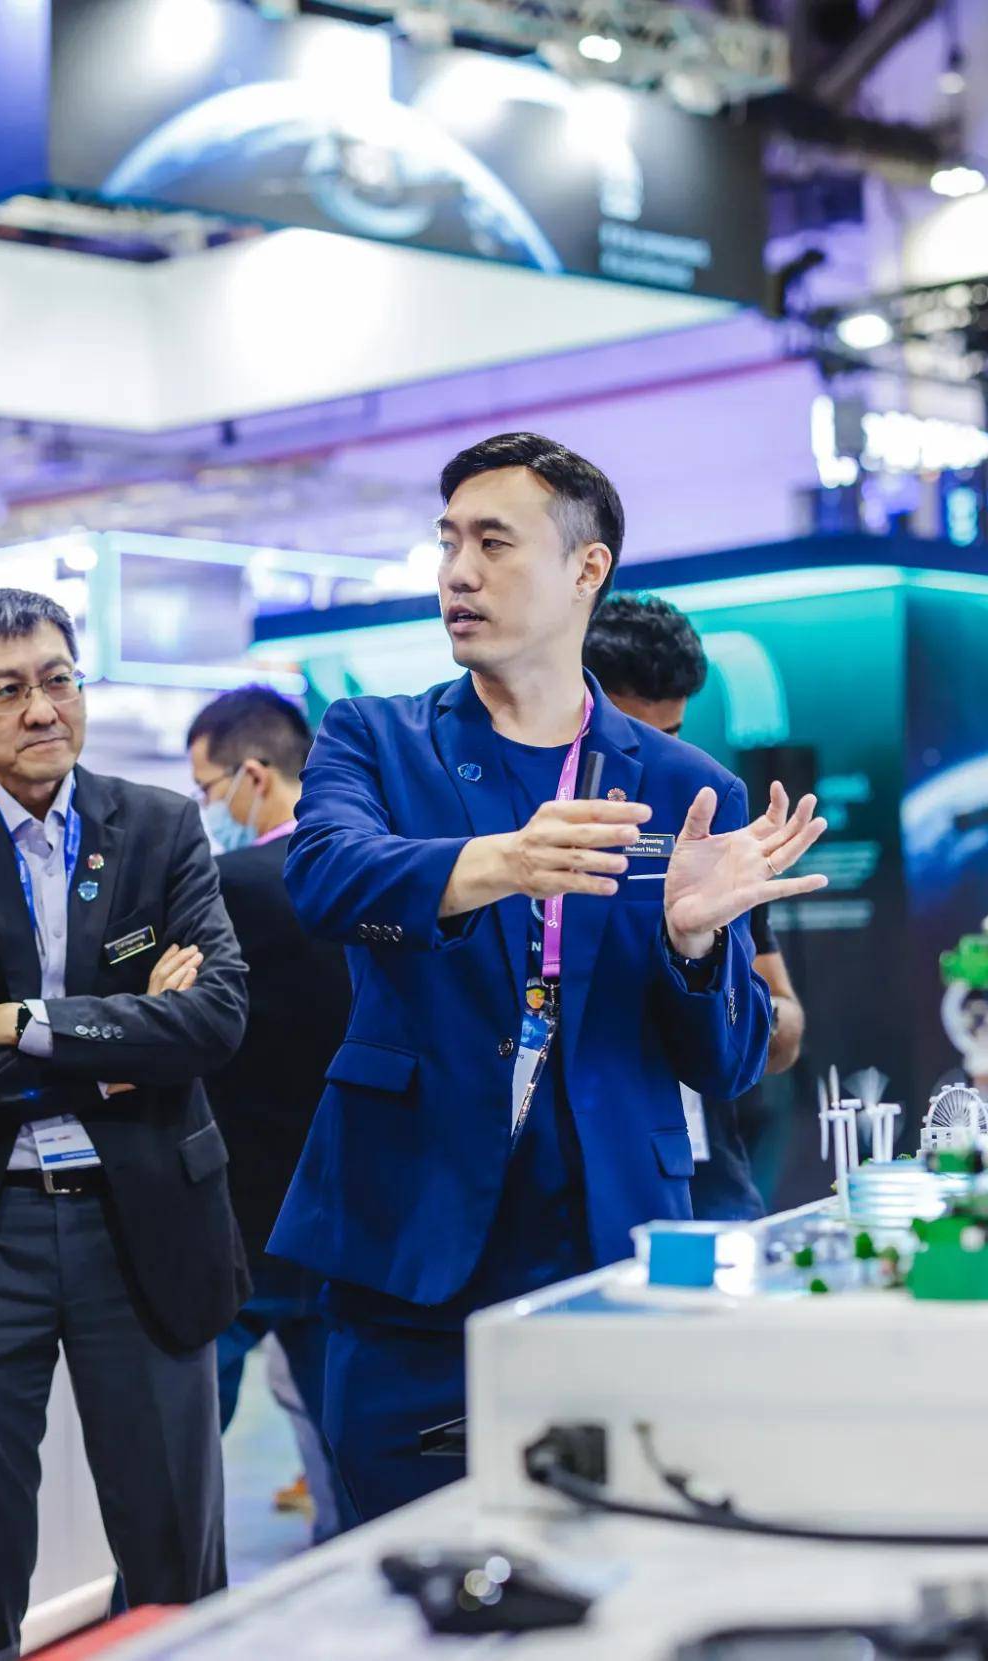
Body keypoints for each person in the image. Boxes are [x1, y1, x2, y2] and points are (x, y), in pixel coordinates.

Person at [272, 432, 828, 1522]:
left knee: (611, 1563)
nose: (457, 572)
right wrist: (500, 863)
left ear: (586, 568)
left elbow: (725, 1061)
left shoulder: (683, 783)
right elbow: (323, 877)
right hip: (412, 1241)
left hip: (604, 1241)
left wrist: (696, 947)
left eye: (492, 541)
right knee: (405, 1569)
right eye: (446, 544)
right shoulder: (376, 739)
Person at [0, 590, 249, 1661]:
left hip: (146, 1224)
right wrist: (124, 1056)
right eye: (9, 688)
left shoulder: (162, 827)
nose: (41, 708)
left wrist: (35, 1024)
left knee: (174, 1546)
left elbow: (214, 1017)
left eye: (58, 678)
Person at [187, 686, 351, 1542]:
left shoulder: (228, 886)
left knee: (174, 1478)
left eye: (210, 791)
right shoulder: (375, 878)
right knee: (349, 1466)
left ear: (254, 775)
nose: (208, 811)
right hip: (342, 1218)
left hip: (234, 1224)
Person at [583, 593, 807, 1221]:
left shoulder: (712, 836)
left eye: (672, 736)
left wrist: (718, 1000)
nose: (656, 761)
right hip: (574, 1176)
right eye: (632, 736)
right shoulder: (534, 836)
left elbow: (785, 1030)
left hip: (702, 1180)